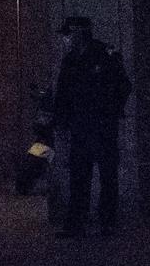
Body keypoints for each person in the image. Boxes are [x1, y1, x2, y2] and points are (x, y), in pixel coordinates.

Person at [50, 16, 132, 237]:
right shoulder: (70, 60)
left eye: (68, 35)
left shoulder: (106, 55)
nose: (65, 40)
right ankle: (76, 223)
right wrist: (62, 123)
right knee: (79, 176)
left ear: (78, 33)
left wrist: (110, 111)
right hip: (80, 127)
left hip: (103, 125)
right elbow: (63, 93)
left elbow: (123, 85)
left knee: (107, 174)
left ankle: (108, 221)